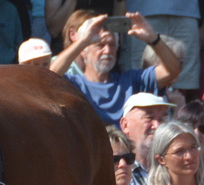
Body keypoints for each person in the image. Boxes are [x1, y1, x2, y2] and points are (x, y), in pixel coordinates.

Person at [52, 10, 180, 124]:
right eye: (100, 45)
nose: (107, 51)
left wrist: (153, 38)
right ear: (84, 51)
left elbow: (172, 70)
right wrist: (83, 41)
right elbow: (47, 76)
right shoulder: (73, 85)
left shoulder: (131, 81)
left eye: (112, 45)